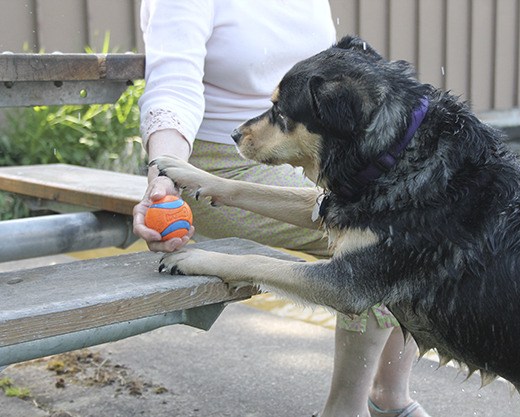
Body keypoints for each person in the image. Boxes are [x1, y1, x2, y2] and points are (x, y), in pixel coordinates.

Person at [132, 1, 430, 416]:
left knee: (421, 213)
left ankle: (390, 397)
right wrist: (164, 175)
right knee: (390, 241)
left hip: (300, 152)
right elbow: (173, 85)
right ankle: (346, 411)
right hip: (218, 162)